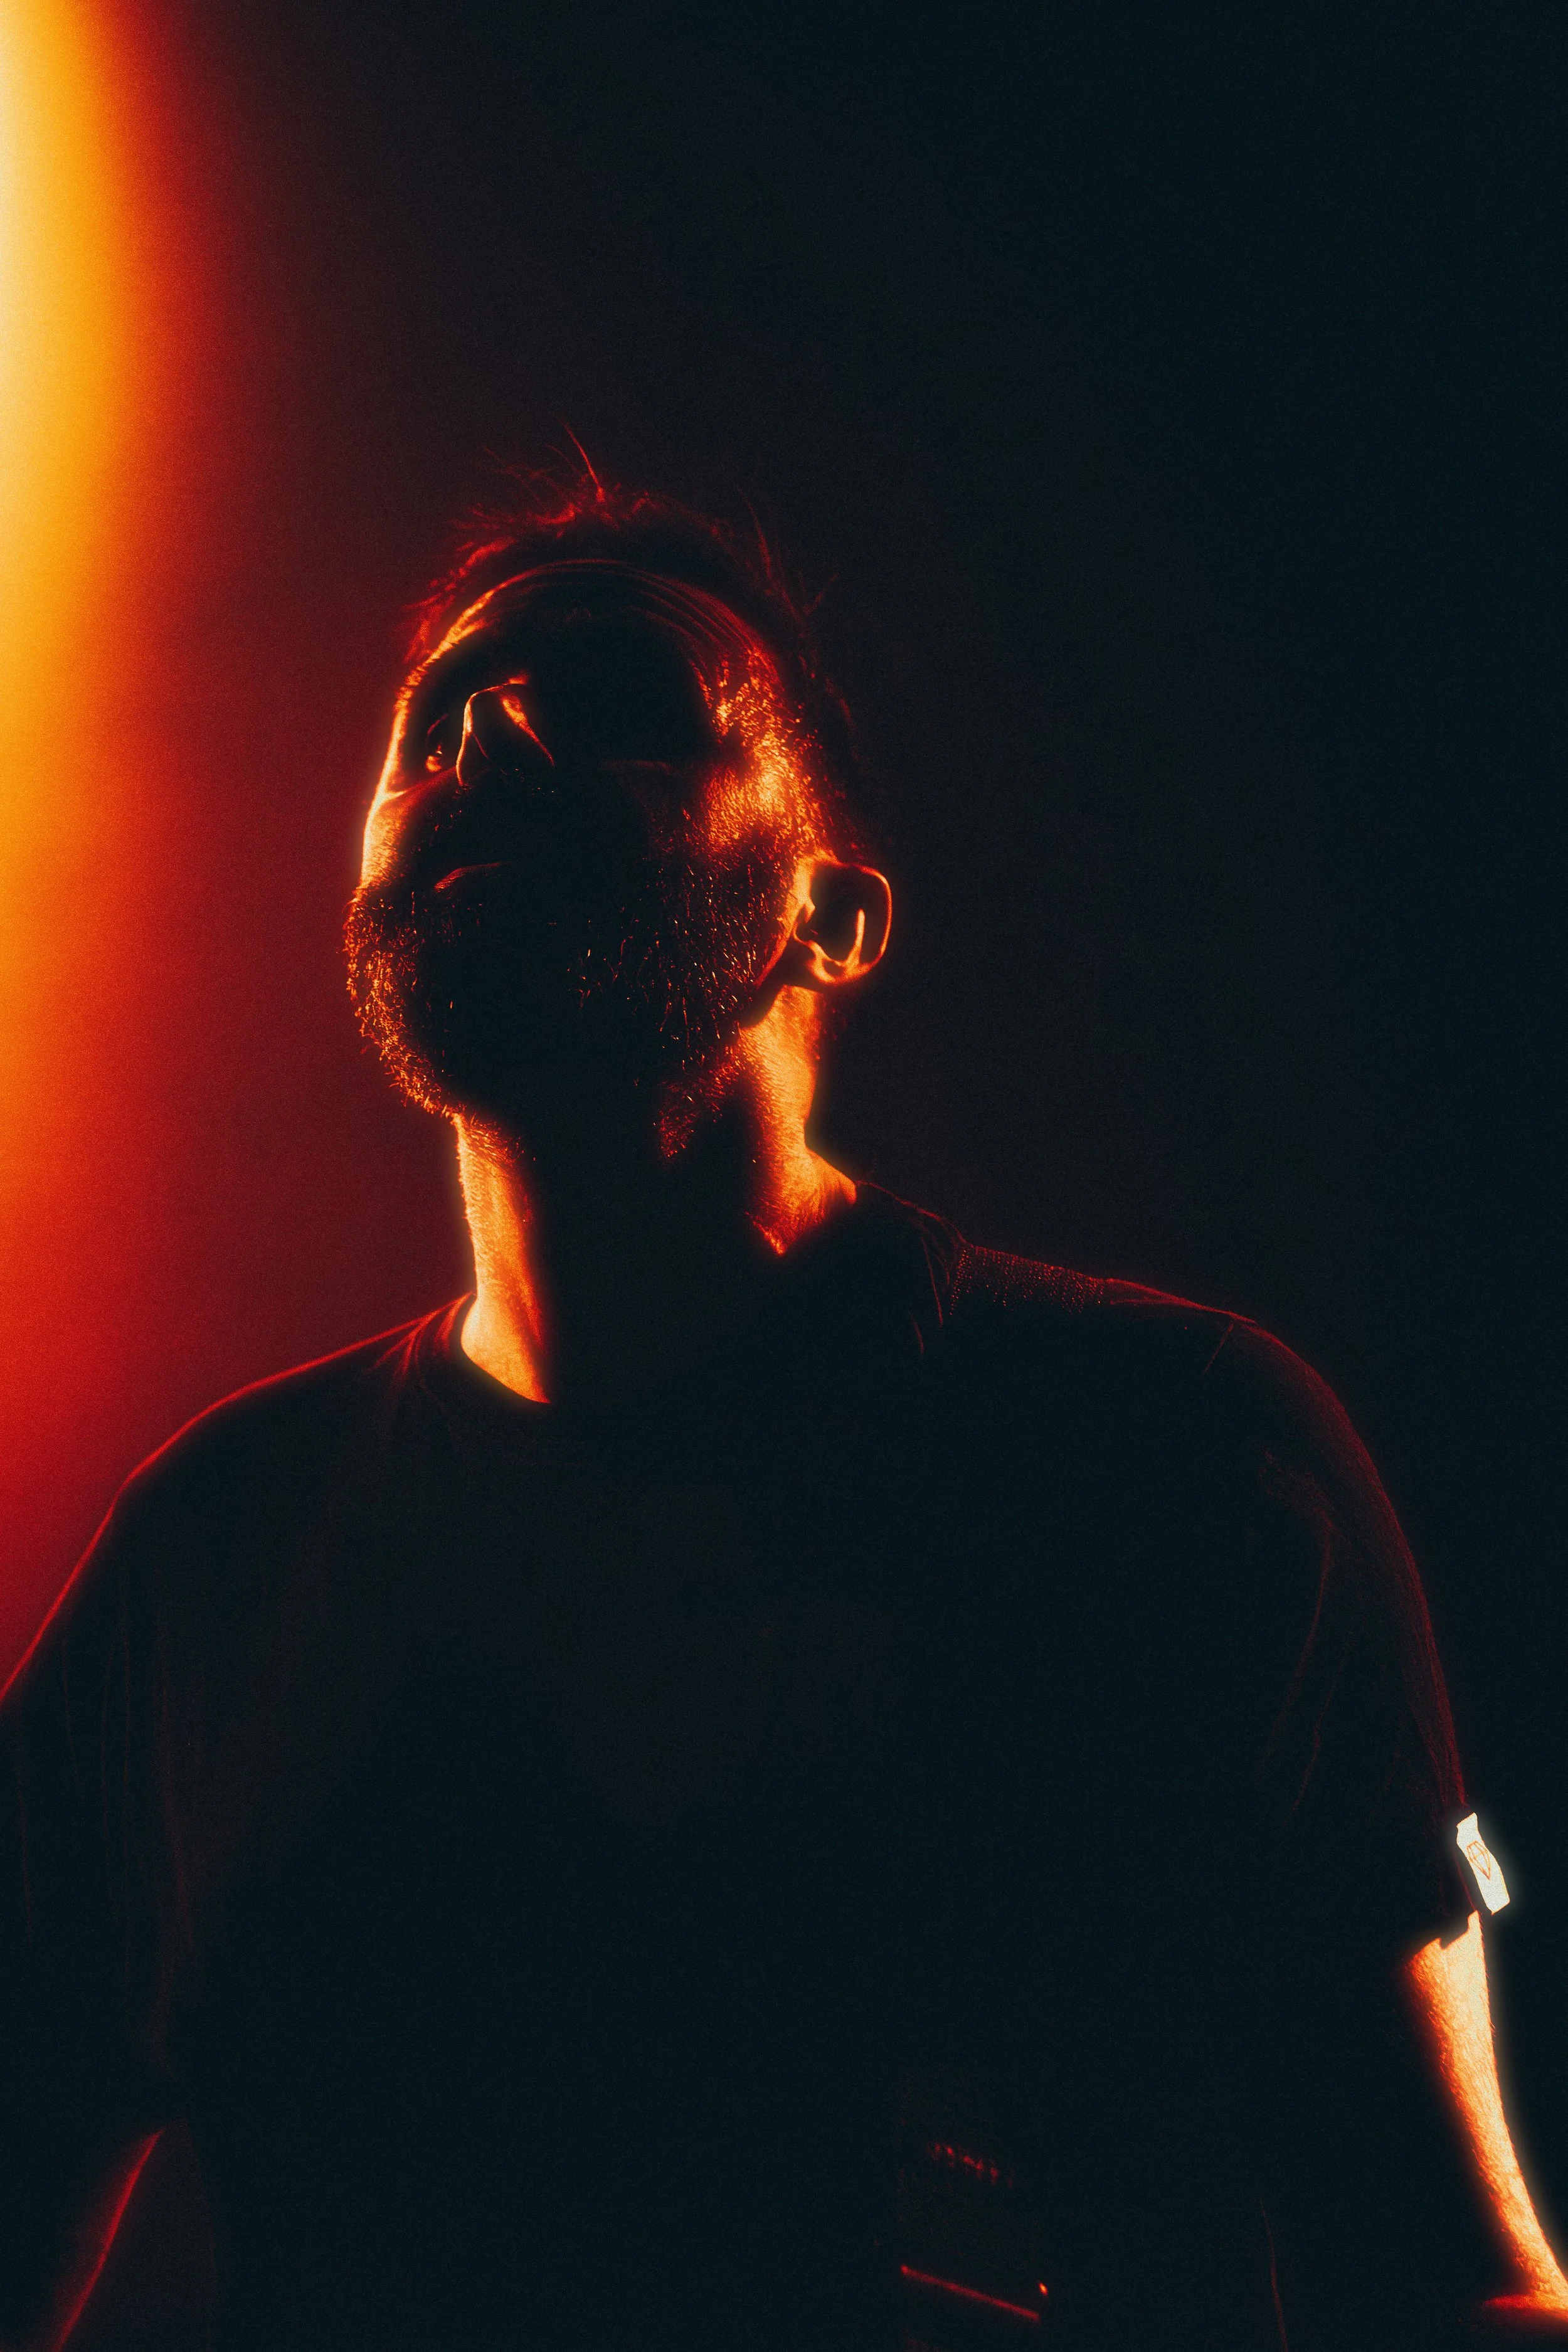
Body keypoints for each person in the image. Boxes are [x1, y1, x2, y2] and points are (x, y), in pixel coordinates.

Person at [1, 480, 1563, 2352]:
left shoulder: (1172, 1457)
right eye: (432, 719)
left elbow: (1460, 2278)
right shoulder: (212, 1555)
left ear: (834, 914)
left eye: (617, 694)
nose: (480, 733)